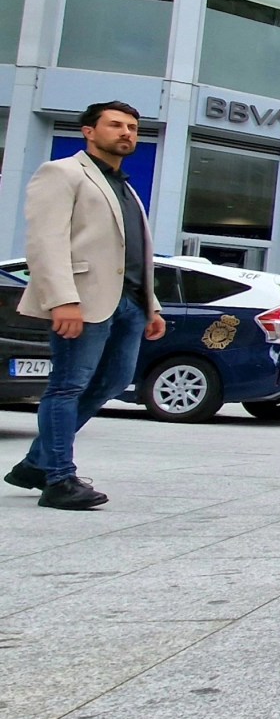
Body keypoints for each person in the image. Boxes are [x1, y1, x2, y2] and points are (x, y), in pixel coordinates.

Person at [4, 102, 168, 510]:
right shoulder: (61, 173)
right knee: (67, 385)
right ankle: (59, 480)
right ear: (89, 131)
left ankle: (36, 464)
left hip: (130, 303)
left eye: (132, 127)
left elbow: (135, 252)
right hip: (83, 300)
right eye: (115, 125)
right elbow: (46, 241)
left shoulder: (126, 188)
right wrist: (62, 300)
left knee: (113, 382)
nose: (126, 132)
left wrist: (152, 306)